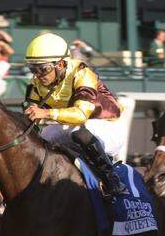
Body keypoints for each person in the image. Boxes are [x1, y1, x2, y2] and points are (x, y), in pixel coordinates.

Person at [21, 32, 126, 198]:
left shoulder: (82, 73)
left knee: (80, 132)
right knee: (41, 138)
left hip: (104, 125)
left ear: (61, 64)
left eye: (43, 68)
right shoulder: (37, 81)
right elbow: (29, 105)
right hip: (70, 124)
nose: (38, 75)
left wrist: (46, 113)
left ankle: (111, 179)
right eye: (33, 68)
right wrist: (29, 110)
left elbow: (81, 115)